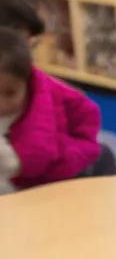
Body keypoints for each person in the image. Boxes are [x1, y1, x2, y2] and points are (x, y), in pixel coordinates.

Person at [0, 27, 108, 189]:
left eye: (10, 94)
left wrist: (16, 164)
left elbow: (37, 154)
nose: (2, 104)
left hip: (60, 170)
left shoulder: (43, 103)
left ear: (27, 83)